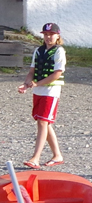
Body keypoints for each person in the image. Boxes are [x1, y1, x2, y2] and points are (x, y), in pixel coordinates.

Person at [18, 22, 65, 169]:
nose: (48, 37)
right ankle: (57, 155)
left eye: (51, 34)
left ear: (57, 36)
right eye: (46, 34)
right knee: (43, 122)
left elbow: (57, 74)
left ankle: (35, 158)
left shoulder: (59, 51)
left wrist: (38, 83)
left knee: (43, 122)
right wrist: (26, 84)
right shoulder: (38, 51)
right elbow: (32, 71)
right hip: (38, 91)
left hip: (51, 91)